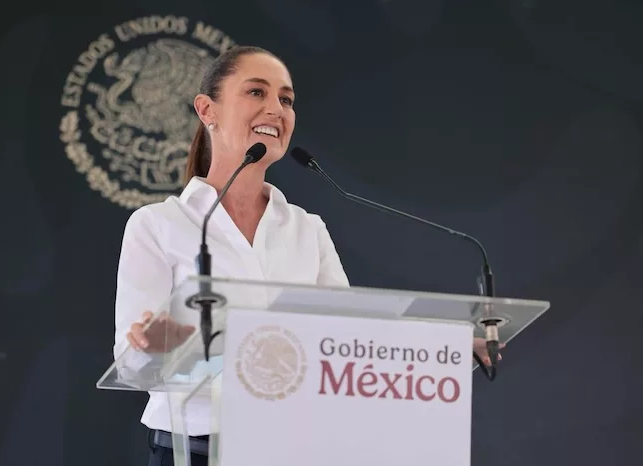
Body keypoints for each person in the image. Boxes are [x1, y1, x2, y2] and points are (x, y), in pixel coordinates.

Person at [113, 45, 501, 466]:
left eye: (286, 100)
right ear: (208, 109)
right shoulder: (157, 225)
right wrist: (153, 346)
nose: (276, 109)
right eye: (257, 93)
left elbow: (348, 343)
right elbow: (132, 367)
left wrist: (440, 347)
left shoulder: (306, 229)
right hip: (194, 452)